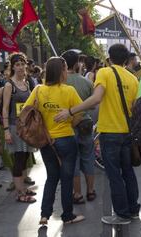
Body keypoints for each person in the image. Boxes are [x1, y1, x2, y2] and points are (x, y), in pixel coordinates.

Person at [54, 43, 140, 225]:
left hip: (110, 131)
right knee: (128, 172)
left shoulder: (104, 73)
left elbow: (96, 98)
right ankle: (133, 210)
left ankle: (122, 214)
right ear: (126, 59)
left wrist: (71, 111)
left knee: (114, 174)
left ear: (109, 58)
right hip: (127, 132)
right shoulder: (132, 78)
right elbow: (134, 108)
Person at [24, 57, 85, 224]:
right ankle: (67, 216)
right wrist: (71, 121)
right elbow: (80, 113)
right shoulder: (69, 91)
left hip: (46, 141)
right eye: (65, 69)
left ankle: (44, 214)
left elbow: (25, 111)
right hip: (66, 139)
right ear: (61, 71)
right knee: (66, 178)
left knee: (51, 177)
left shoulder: (38, 90)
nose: (66, 73)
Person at [61, 50, 96, 204]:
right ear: (77, 63)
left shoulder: (60, 83)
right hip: (86, 124)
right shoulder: (87, 82)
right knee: (88, 158)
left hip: (66, 125)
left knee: (72, 160)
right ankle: (90, 191)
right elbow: (94, 105)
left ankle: (77, 194)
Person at [2, 53, 36, 203]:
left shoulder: (27, 83)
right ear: (12, 67)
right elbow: (4, 108)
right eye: (17, 65)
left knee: (26, 157)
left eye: (22, 64)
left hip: (26, 126)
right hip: (15, 127)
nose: (21, 67)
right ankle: (20, 193)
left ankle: (22, 186)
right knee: (19, 158)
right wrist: (6, 130)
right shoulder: (10, 85)